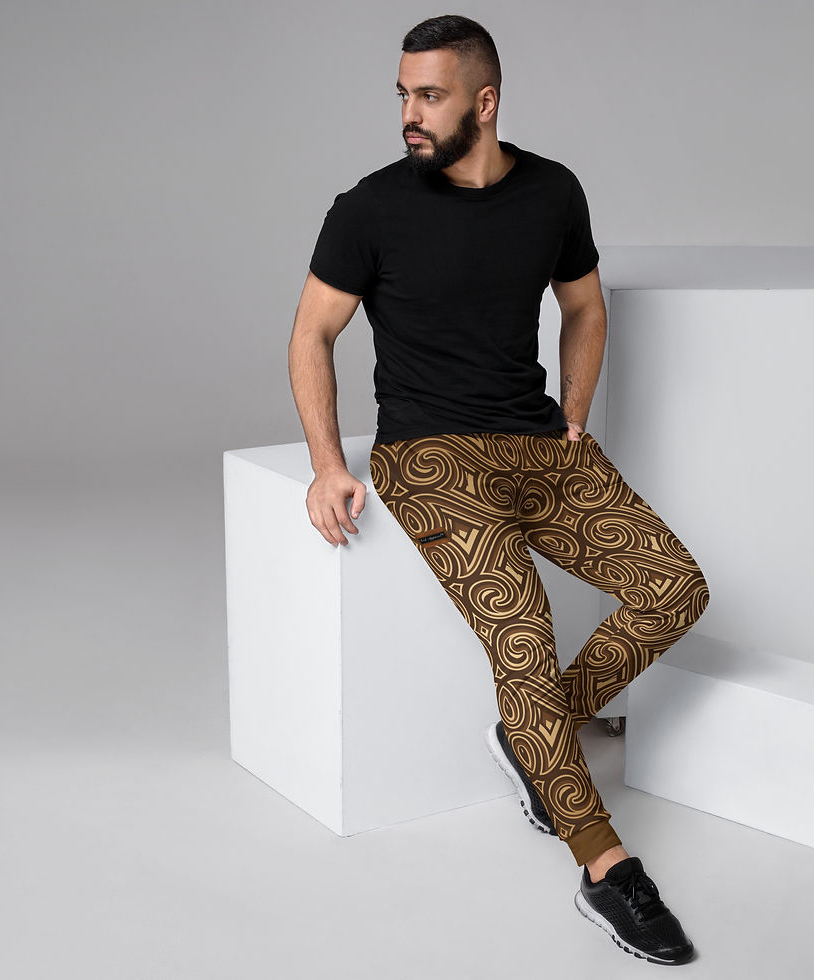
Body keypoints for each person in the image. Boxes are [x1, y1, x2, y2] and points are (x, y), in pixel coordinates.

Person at [288, 13, 710, 966]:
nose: (410, 113)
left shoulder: (553, 191)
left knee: (675, 589)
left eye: (429, 95)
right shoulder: (368, 208)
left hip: (538, 445)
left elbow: (585, 305)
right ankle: (605, 866)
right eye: (403, 94)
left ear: (484, 101)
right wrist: (325, 463)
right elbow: (311, 333)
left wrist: (576, 414)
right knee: (524, 633)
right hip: (430, 458)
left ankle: (534, 734)